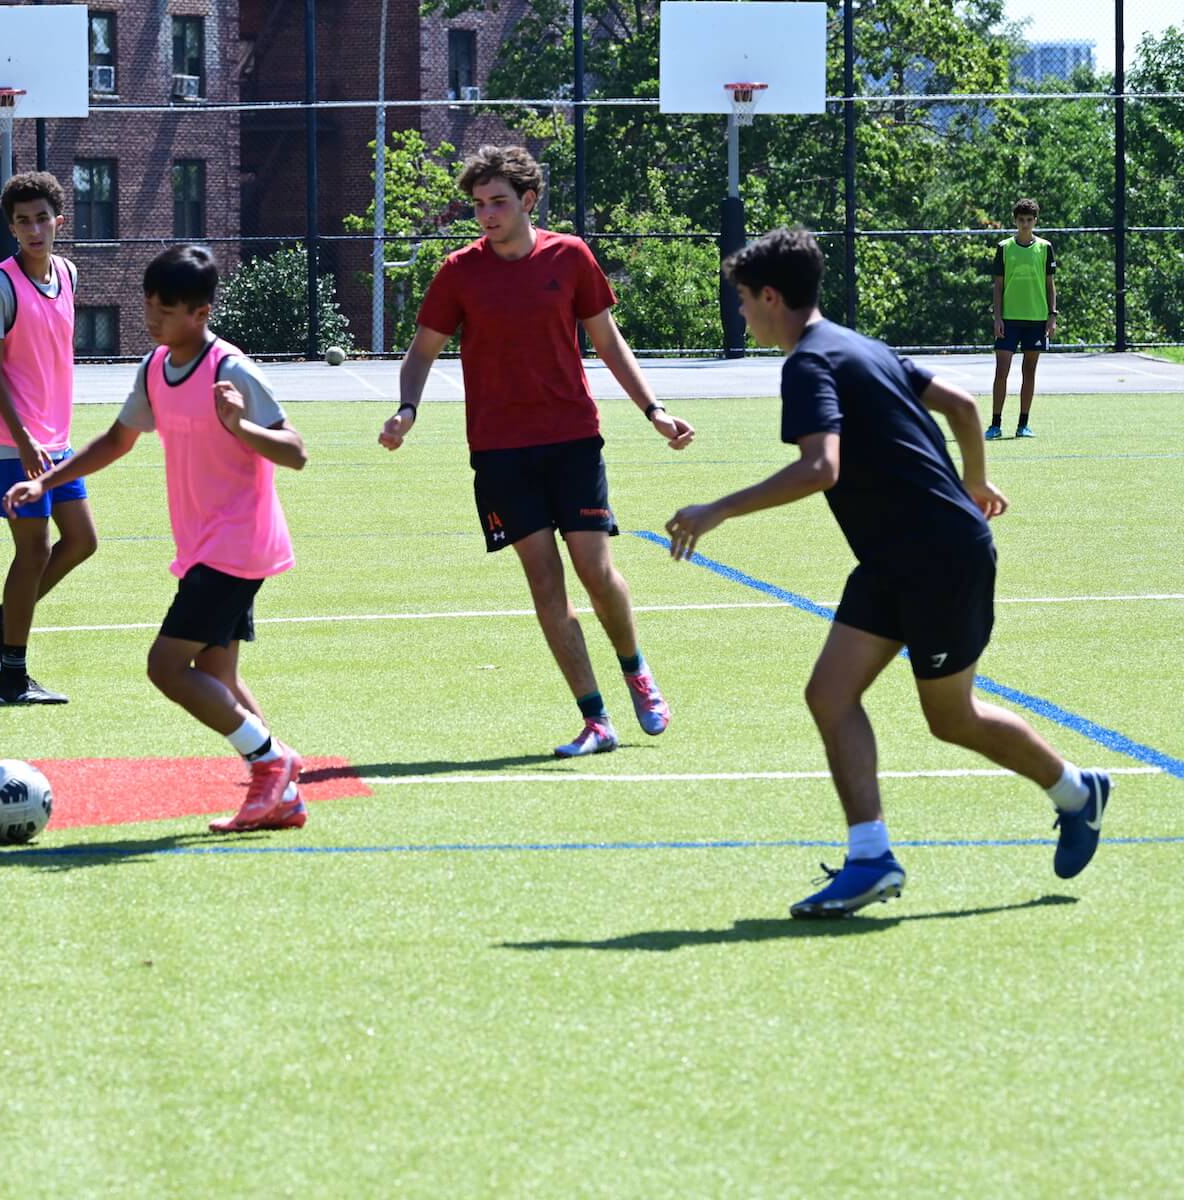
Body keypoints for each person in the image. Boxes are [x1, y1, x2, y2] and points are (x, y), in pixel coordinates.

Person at [665, 226, 1110, 919]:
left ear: (773, 296)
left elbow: (822, 467)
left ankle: (1077, 792)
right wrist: (974, 481)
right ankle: (870, 857)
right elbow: (962, 406)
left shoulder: (809, 364)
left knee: (951, 718)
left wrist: (717, 509)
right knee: (829, 694)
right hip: (895, 558)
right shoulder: (859, 344)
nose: (742, 312)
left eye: (744, 300)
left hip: (938, 559)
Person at [380, 144, 695, 758]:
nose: (487, 215)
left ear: (528, 200)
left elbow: (607, 341)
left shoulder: (569, 257)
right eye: (478, 205)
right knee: (545, 586)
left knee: (595, 571)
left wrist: (655, 411)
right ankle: (595, 720)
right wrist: (407, 410)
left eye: (498, 202)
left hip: (573, 440)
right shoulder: (458, 272)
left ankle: (636, 671)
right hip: (499, 452)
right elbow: (422, 351)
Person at [5, 245, 310, 834]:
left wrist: (240, 425)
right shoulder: (154, 367)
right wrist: (44, 478)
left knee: (167, 666)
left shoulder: (230, 369)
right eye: (148, 304)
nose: (152, 317)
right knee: (217, 674)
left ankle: (272, 762)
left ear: (200, 312)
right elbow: (117, 441)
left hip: (238, 544)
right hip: (203, 545)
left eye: (165, 309)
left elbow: (295, 452)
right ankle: (280, 791)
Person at [0, 171, 98, 705]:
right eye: (23, 221)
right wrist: (23, 441)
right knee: (35, 549)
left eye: (42, 218)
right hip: (8, 442)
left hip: (55, 440)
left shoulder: (68, 272)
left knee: (82, 541)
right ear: (10, 227)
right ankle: (12, 676)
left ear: (59, 221)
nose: (34, 229)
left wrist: (46, 439)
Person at [988, 197, 1057, 439]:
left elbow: (1050, 285)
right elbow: (998, 286)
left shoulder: (1045, 248)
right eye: (1021, 220)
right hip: (1009, 319)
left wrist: (1052, 315)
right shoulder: (1004, 247)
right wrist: (997, 317)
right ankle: (995, 424)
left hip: (1036, 319)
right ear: (1015, 221)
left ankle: (1023, 424)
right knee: (1002, 371)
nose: (1025, 225)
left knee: (1029, 371)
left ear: (1035, 221)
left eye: (1029, 220)